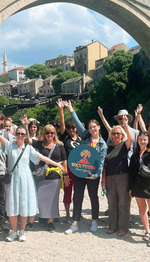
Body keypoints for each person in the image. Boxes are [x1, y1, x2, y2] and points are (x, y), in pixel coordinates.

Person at [0, 121, 64, 242]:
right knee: (12, 205)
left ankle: (22, 231)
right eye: (18, 134)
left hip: (26, 180)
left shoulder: (29, 149)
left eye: (22, 134)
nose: (20, 136)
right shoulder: (9, 146)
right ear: (15, 134)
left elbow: (42, 157)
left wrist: (56, 164)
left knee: (24, 205)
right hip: (13, 179)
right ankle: (13, 231)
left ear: (26, 136)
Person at [63, 100, 107, 234]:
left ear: (99, 127)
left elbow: (101, 162)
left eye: (94, 126)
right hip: (80, 172)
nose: (92, 129)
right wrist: (71, 109)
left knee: (93, 197)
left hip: (92, 174)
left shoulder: (102, 145)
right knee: (78, 197)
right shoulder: (85, 136)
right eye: (90, 127)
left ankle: (94, 221)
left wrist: (96, 175)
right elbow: (76, 123)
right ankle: (75, 224)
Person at [28, 124, 67, 232]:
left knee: (53, 200)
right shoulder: (40, 144)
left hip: (55, 176)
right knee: (38, 198)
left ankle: (50, 222)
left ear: (55, 134)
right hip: (41, 175)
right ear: (44, 134)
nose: (50, 135)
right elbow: (28, 140)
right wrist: (25, 125)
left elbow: (64, 160)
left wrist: (66, 175)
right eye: (47, 133)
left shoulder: (60, 145)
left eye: (52, 132)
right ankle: (32, 221)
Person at [101, 122, 133, 236]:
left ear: (122, 135)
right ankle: (112, 226)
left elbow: (131, 138)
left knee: (123, 203)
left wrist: (126, 126)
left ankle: (123, 227)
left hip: (122, 177)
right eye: (114, 133)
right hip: (109, 178)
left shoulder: (124, 145)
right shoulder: (108, 148)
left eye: (118, 133)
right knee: (112, 203)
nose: (116, 135)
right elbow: (104, 165)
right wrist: (103, 180)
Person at [56, 99, 81, 222]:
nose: (71, 130)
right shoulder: (65, 137)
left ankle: (77, 212)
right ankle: (67, 213)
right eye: (69, 128)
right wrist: (61, 110)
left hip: (79, 168)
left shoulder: (81, 139)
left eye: (73, 128)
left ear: (77, 128)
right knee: (67, 191)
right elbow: (61, 125)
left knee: (78, 192)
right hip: (68, 169)